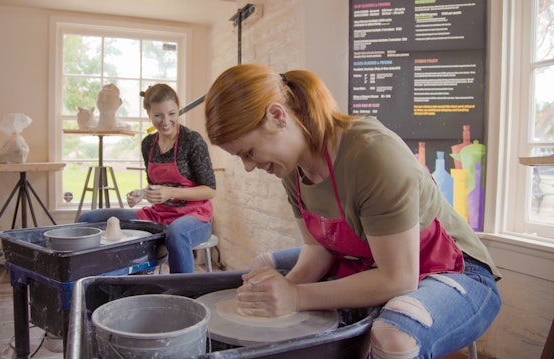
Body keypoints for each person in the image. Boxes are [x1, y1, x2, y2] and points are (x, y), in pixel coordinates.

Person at [203, 64, 501, 359]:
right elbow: (317, 248)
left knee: (393, 336)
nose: (249, 166)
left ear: (277, 116)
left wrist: (295, 297)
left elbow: (398, 279)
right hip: (368, 258)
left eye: (248, 152)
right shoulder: (292, 170)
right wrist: (278, 293)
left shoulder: (373, 153)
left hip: (455, 269)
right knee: (262, 272)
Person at [78, 83, 216, 274]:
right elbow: (156, 186)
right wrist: (141, 194)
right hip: (158, 215)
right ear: (149, 114)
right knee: (89, 219)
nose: (166, 121)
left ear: (178, 110)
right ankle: (93, 281)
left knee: (176, 232)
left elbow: (210, 189)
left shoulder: (192, 140)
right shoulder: (148, 144)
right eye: (158, 115)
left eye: (172, 114)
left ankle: (184, 296)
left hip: (195, 217)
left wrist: (171, 192)